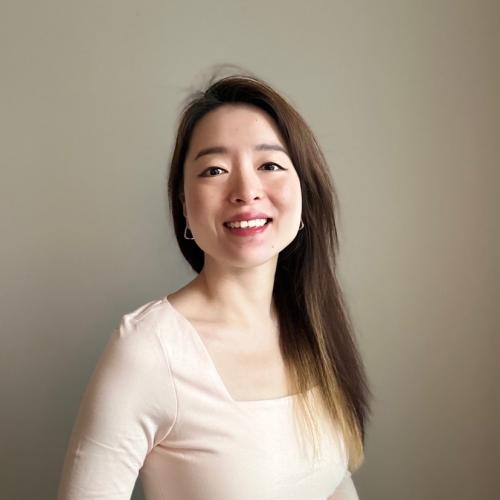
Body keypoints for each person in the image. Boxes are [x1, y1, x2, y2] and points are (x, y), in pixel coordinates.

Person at [57, 69, 371, 500]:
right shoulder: (149, 350)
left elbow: (333, 483)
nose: (246, 190)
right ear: (184, 204)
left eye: (270, 165)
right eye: (215, 170)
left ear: (304, 193)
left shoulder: (312, 324)